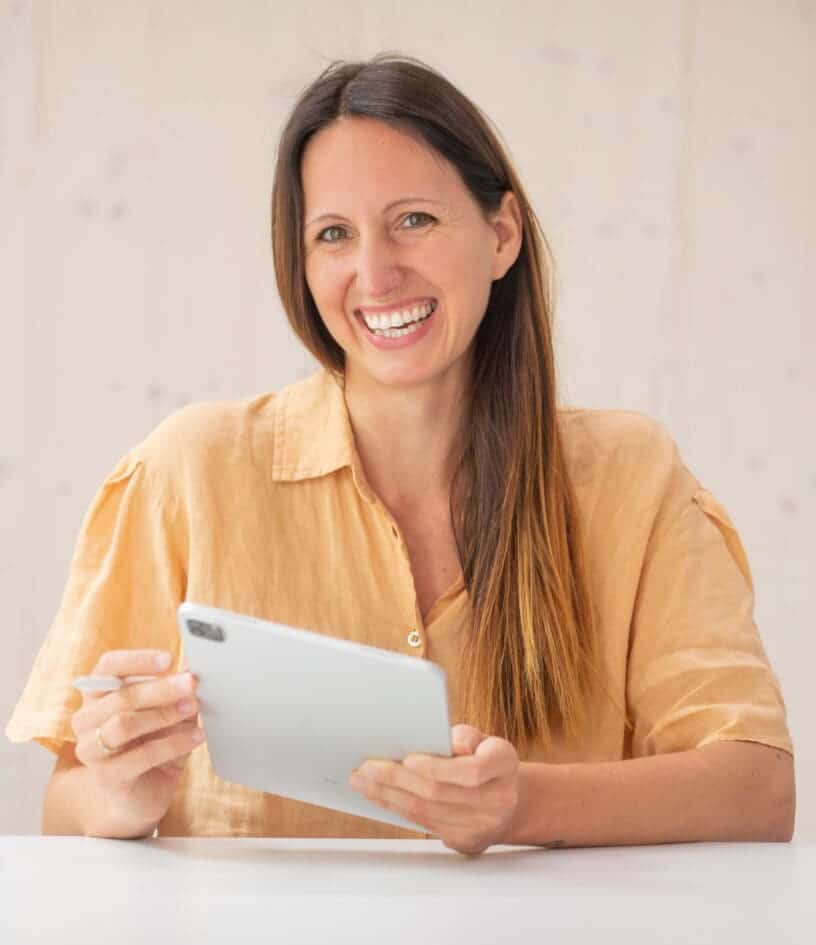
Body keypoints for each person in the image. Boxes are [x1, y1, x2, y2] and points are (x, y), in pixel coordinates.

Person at [7, 54, 795, 855]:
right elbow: (65, 807)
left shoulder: (632, 477)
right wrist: (115, 789)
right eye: (334, 235)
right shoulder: (189, 472)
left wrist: (521, 804)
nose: (375, 274)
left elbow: (758, 787)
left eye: (413, 220)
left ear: (500, 234)